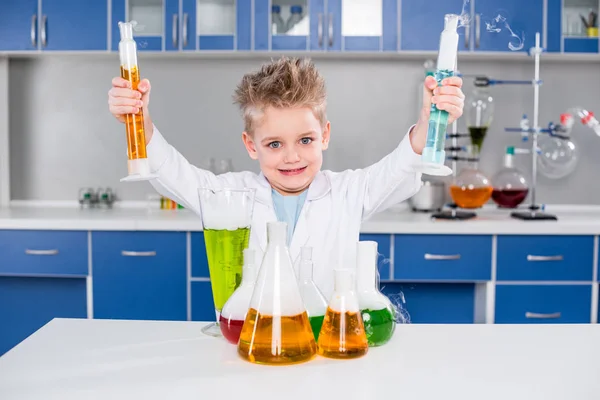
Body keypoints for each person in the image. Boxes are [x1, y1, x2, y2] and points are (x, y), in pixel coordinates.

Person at [108, 57, 464, 297]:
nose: (292, 156)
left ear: (325, 135)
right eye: (274, 143)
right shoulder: (229, 195)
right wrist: (138, 121)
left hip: (328, 352)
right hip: (252, 351)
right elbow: (171, 171)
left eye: (305, 140)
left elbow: (400, 167)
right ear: (251, 145)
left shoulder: (348, 193)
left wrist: (431, 120)